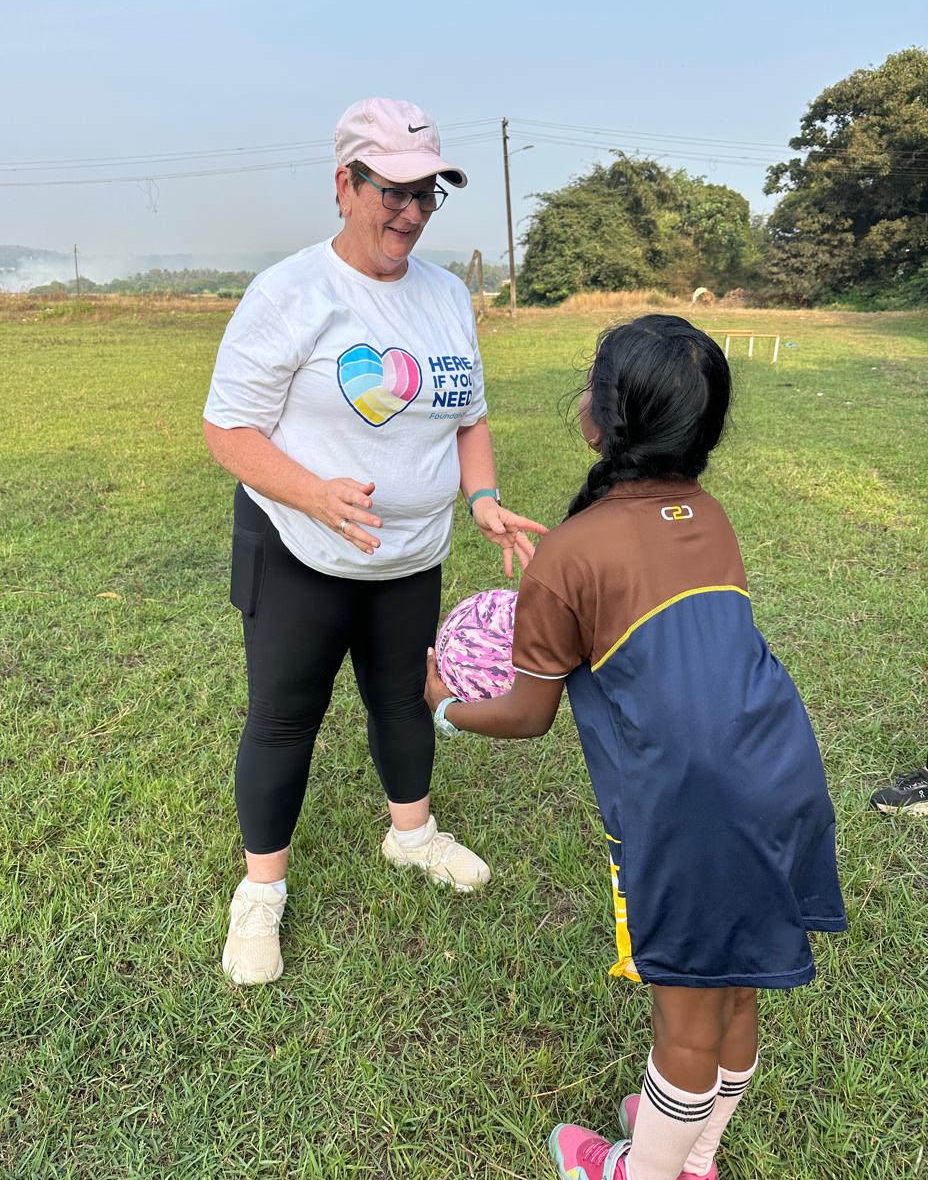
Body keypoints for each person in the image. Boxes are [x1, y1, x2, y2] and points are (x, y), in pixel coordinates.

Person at [425, 316, 847, 1180]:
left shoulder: (568, 554)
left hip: (694, 807)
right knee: (736, 987)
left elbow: (526, 714)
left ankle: (640, 1171)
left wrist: (442, 705)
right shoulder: (709, 514)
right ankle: (694, 1155)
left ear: (601, 419)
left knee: (685, 1018)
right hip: (780, 770)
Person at [203, 97, 546, 986]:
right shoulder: (291, 292)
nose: (410, 211)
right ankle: (262, 893)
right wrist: (313, 494)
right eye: (391, 189)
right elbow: (228, 431)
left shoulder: (446, 295)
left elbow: (468, 417)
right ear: (345, 186)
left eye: (427, 193)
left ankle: (413, 834)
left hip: (410, 554)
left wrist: (483, 499)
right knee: (286, 715)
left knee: (402, 697)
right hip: (298, 548)